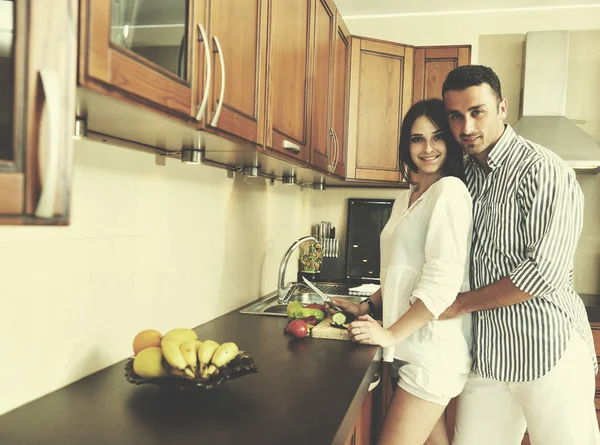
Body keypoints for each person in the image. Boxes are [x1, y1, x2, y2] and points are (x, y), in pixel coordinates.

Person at [440, 65, 600, 445]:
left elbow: (544, 273)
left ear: (502, 109)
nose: (466, 127)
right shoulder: (461, 175)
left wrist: (460, 304)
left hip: (548, 351)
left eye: (477, 111)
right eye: (456, 115)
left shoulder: (543, 170)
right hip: (489, 357)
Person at [331, 98, 473, 445]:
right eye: (416, 139)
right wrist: (367, 307)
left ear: (451, 141)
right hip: (411, 347)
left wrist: (390, 335)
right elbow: (401, 271)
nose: (427, 148)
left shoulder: (449, 192)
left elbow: (441, 284)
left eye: (437, 137)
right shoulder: (407, 197)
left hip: (432, 351)